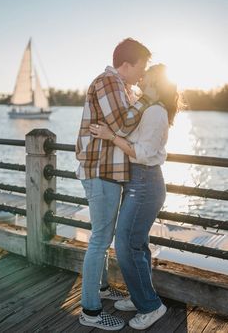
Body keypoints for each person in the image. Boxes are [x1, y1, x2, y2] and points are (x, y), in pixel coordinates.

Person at [90, 64, 180, 330]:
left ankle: (151, 306)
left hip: (145, 183)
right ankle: (141, 296)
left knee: (126, 245)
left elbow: (141, 152)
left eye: (146, 78)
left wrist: (111, 136)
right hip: (139, 183)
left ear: (156, 84)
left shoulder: (155, 111)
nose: (141, 80)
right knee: (137, 245)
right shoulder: (149, 107)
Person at [75, 38, 152, 330]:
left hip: (108, 172)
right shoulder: (108, 82)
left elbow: (122, 128)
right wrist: (147, 99)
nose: (142, 73)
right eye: (141, 66)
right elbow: (122, 123)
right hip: (101, 172)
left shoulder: (122, 86)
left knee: (102, 236)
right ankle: (90, 312)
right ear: (126, 64)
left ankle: (103, 290)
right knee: (99, 240)